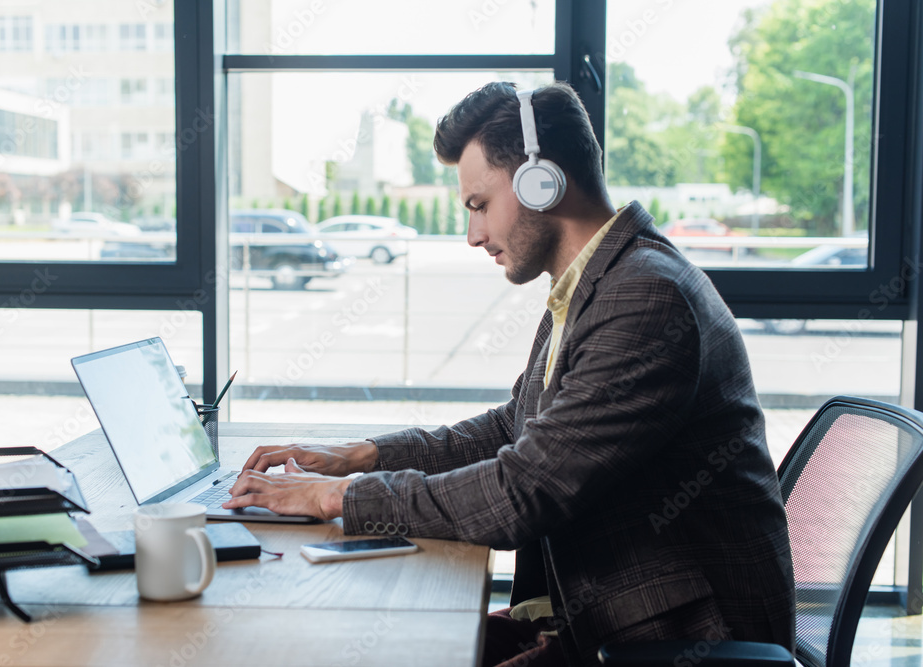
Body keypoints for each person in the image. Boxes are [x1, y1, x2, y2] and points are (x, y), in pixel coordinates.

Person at [224, 81, 795, 666]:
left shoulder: (646, 298)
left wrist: (332, 497)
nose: (473, 234)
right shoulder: (594, 281)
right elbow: (513, 429)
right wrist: (359, 456)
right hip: (604, 617)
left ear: (540, 182)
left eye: (478, 205)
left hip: (673, 639)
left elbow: (524, 492)